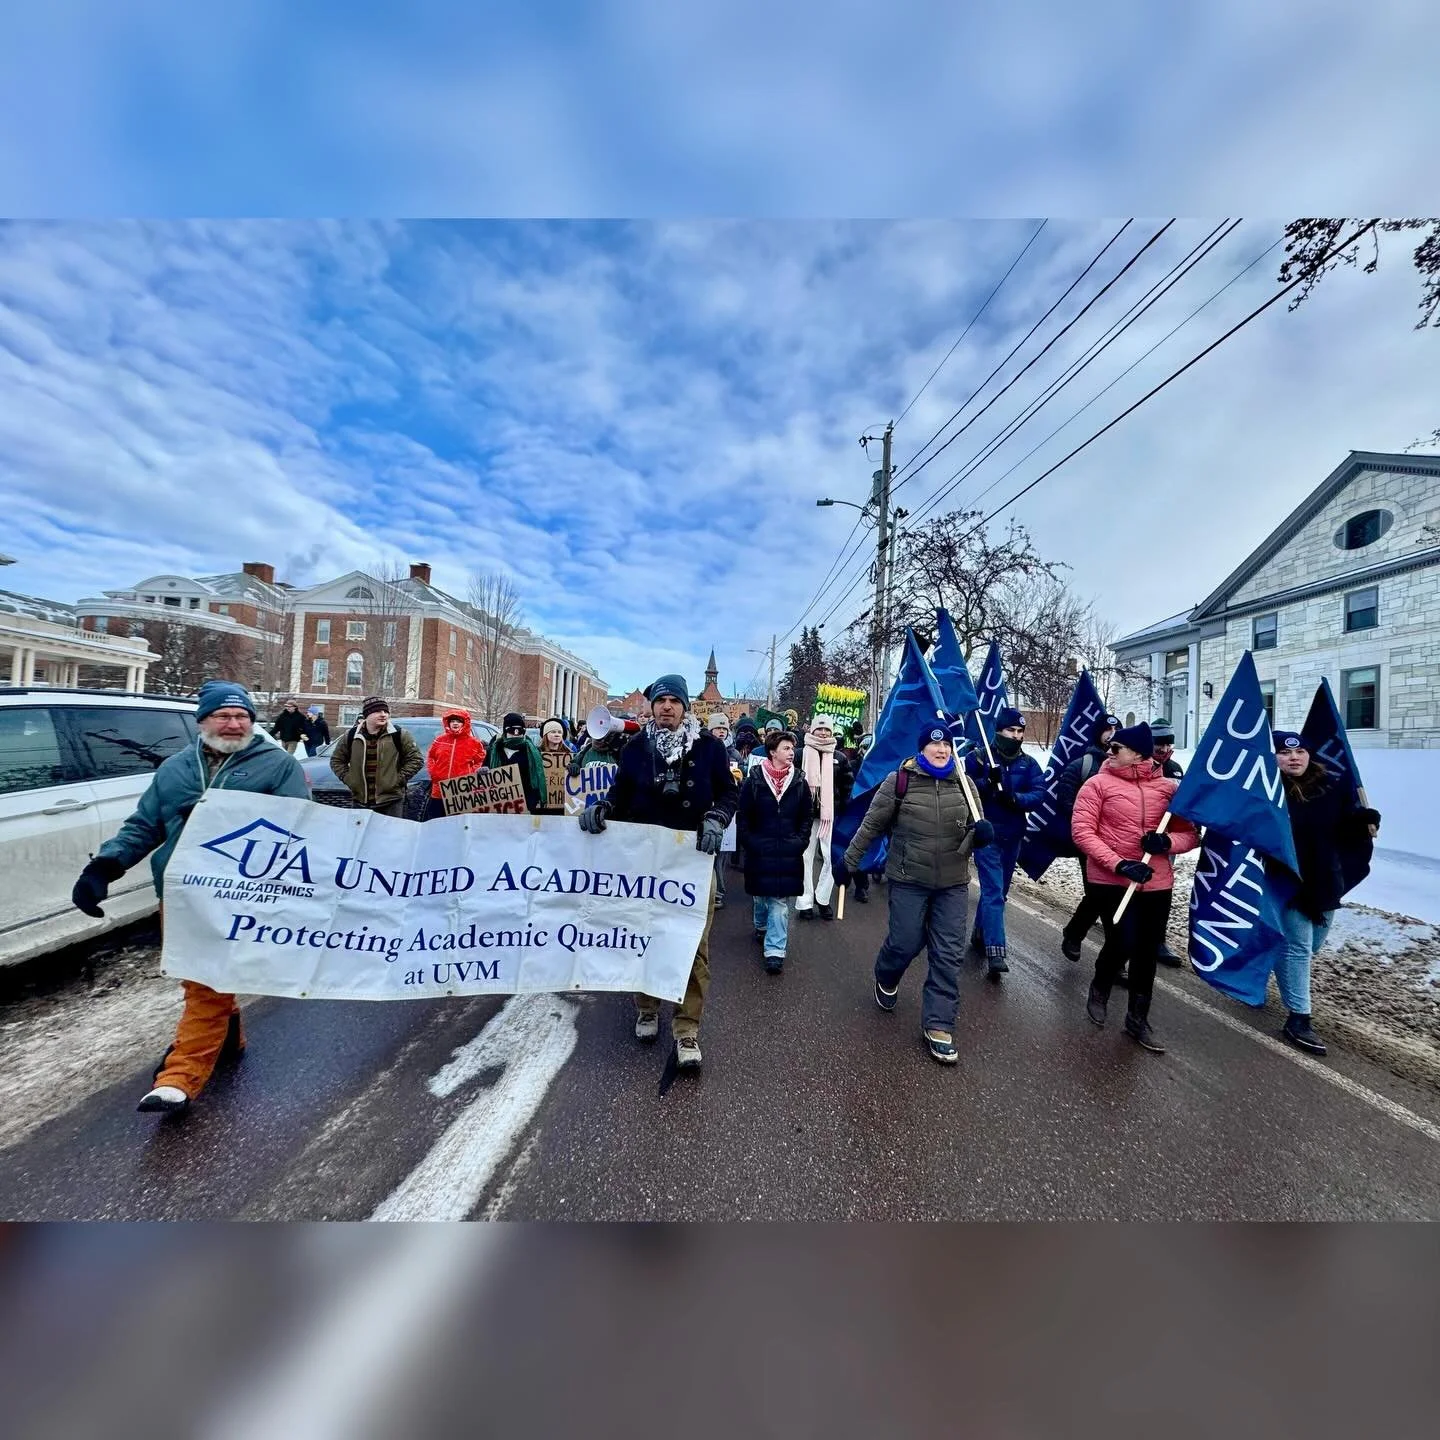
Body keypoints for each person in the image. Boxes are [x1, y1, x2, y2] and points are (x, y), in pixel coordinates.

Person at [69, 681, 309, 1114]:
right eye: (223, 716)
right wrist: (104, 867)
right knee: (201, 977)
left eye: (242, 717)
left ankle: (180, 1077)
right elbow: (145, 824)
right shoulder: (175, 769)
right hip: (180, 893)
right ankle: (226, 1028)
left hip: (238, 895)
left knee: (204, 982)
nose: (234, 724)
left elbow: (299, 829)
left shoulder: (277, 766)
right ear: (203, 721)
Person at [577, 673, 737, 1070]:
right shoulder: (635, 748)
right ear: (651, 707)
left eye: (674, 701)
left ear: (685, 707)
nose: (667, 706)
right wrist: (603, 808)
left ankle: (687, 1030)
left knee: (693, 946)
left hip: (692, 862)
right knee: (643, 935)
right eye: (660, 700)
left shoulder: (709, 748)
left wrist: (717, 817)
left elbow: (729, 791)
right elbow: (620, 793)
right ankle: (646, 1007)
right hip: (644, 863)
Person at [838, 724, 994, 1066]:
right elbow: (871, 825)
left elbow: (975, 829)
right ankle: (887, 973)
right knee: (905, 941)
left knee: (949, 953)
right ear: (922, 748)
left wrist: (980, 836)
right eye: (935, 745)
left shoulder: (965, 785)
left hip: (952, 883)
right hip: (908, 878)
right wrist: (848, 862)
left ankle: (939, 1024)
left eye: (947, 745)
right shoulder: (900, 782)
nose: (942, 750)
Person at [1070, 722, 1199, 1054]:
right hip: (1111, 880)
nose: (1109, 752)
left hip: (1156, 882)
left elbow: (1192, 835)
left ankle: (1137, 1019)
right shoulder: (1096, 785)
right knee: (1122, 941)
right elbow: (1082, 832)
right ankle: (1100, 986)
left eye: (1117, 748)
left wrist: (1166, 841)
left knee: (1147, 951)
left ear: (1138, 754)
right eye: (1109, 747)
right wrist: (1119, 863)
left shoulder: (1169, 790)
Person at [1271, 730, 1381, 1056]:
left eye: (1301, 751)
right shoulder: (1268, 792)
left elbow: (1344, 830)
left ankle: (1267, 956)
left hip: (1324, 881)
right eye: (1285, 752)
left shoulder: (1329, 788)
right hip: (1287, 881)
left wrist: (1363, 820)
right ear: (1273, 757)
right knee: (1299, 948)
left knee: (1312, 944)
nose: (1295, 757)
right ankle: (1298, 1019)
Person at [965, 707, 1047, 977]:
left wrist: (1014, 799)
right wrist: (987, 782)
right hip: (987, 835)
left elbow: (1039, 793)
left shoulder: (1029, 764)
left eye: (1020, 731)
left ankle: (981, 932)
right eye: (1010, 730)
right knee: (992, 892)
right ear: (998, 731)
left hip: (1013, 836)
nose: (1016, 735)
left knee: (999, 892)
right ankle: (996, 951)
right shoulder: (979, 757)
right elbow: (964, 786)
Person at [736, 728, 814, 973]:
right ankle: (760, 925)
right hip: (760, 850)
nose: (792, 752)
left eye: (792, 748)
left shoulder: (800, 781)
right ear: (772, 752)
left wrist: (799, 841)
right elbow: (744, 816)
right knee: (761, 897)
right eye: (786, 748)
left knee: (779, 902)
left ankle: (775, 950)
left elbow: (806, 816)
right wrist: (751, 842)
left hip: (788, 851)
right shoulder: (755, 780)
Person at [1057, 711, 1121, 962]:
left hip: (1123, 843)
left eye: (1118, 731)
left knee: (1114, 898)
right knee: (1100, 894)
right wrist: (1094, 820)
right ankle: (1078, 936)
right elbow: (1065, 802)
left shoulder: (1126, 765)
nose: (1113, 736)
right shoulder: (1081, 766)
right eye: (1108, 730)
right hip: (1092, 843)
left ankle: (1109, 954)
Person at [794, 715, 852, 923]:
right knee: (805, 858)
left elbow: (847, 786)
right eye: (820, 729)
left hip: (830, 817)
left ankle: (823, 898)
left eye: (827, 730)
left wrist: (842, 808)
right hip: (804, 816)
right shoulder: (800, 754)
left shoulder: (840, 757)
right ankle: (805, 902)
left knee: (831, 858)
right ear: (812, 731)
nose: (824, 733)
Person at [330, 696, 424, 818]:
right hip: (360, 802)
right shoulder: (352, 736)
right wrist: (350, 779)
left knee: (390, 836)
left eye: (385, 711)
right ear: (367, 715)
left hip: (391, 802)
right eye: (378, 711)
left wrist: (397, 780)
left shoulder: (399, 735)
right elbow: (337, 760)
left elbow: (416, 759)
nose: (383, 714)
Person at [1147, 719, 1185, 966]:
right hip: (1136, 840)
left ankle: (1157, 941)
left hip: (1165, 844)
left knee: (1160, 892)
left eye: (1167, 743)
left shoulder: (1176, 769)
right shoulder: (1138, 765)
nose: (1162, 749)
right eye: (1158, 743)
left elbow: (1185, 807)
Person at [422, 709, 488, 820]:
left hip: (460, 791)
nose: (455, 723)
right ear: (448, 723)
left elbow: (480, 760)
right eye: (452, 721)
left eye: (458, 721)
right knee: (436, 822)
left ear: (464, 723)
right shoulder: (439, 740)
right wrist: (434, 773)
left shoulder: (474, 743)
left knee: (458, 824)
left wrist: (470, 773)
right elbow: (431, 757)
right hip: (439, 790)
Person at [486, 712, 546, 814]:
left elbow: (536, 778)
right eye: (512, 731)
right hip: (499, 806)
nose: (516, 734)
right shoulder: (495, 750)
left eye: (519, 731)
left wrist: (530, 804)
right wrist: (483, 771)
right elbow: (486, 770)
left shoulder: (532, 751)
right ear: (505, 731)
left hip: (525, 806)